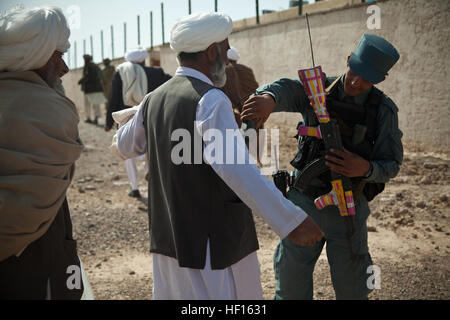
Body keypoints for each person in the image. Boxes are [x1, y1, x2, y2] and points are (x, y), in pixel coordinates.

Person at [115, 12, 323, 300]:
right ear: (211, 51)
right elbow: (238, 169)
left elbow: (123, 146)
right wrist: (292, 222)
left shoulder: (153, 99)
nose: (227, 59)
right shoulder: (210, 100)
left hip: (169, 240)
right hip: (212, 246)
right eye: (225, 49)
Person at [241, 34, 403, 300]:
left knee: (353, 286)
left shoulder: (384, 110)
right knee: (291, 281)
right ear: (349, 60)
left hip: (349, 206)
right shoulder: (317, 90)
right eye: (354, 71)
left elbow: (392, 164)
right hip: (304, 202)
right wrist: (269, 97)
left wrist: (364, 167)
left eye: (366, 79)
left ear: (381, 80)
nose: (355, 81)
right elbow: (285, 90)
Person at [0, 6, 93, 299]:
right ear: (36, 58)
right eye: (59, 56)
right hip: (33, 267)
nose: (64, 68)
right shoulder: (46, 108)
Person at [106, 47, 171, 198]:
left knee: (128, 154)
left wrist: (109, 121)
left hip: (127, 118)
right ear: (143, 59)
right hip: (150, 115)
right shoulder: (156, 73)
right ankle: (151, 176)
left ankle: (134, 188)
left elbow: (114, 97)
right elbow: (171, 85)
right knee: (150, 148)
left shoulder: (121, 73)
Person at [78, 54, 106, 124]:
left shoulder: (89, 66)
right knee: (93, 104)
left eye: (85, 58)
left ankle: (92, 118)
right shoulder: (93, 65)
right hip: (93, 89)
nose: (84, 60)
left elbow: (89, 76)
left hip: (91, 89)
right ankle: (91, 118)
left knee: (91, 104)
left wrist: (81, 80)